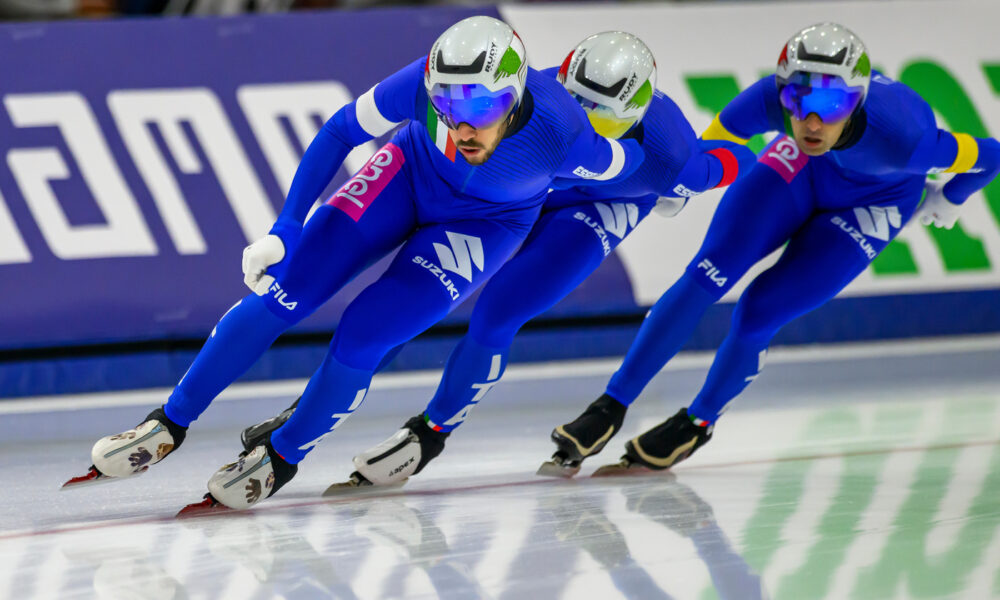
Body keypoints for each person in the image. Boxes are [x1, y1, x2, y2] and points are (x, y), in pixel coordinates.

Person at [65, 15, 647, 511]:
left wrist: (673, 180)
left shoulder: (566, 132)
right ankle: (170, 420)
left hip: (484, 226)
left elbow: (628, 167)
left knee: (363, 335)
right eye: (448, 104)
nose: (465, 124)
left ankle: (285, 455)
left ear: (517, 93)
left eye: (485, 105)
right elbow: (342, 129)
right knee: (284, 292)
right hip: (408, 174)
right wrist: (286, 227)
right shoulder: (417, 85)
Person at [241, 31, 756, 490]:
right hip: (526, 189)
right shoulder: (543, 104)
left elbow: (726, 164)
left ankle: (433, 431)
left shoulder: (667, 156)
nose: (586, 126)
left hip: (607, 201)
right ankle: (311, 409)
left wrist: (738, 158)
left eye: (601, 118)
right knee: (410, 298)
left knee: (499, 312)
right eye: (578, 106)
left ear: (634, 114)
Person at [546, 22, 1000, 475]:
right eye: (797, 102)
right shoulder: (770, 99)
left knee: (759, 312)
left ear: (858, 99)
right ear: (782, 91)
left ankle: (698, 421)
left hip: (875, 202)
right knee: (707, 272)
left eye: (832, 104)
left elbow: (991, 155)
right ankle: (608, 407)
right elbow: (716, 145)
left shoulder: (906, 141)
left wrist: (951, 196)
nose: (812, 121)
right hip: (803, 168)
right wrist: (679, 186)